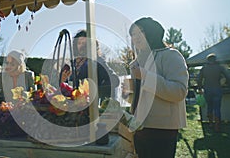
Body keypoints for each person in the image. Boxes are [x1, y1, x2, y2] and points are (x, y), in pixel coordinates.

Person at [126, 17, 189, 158]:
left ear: (153, 32)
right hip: (138, 126)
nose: (136, 37)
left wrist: (145, 76)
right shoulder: (135, 63)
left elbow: (179, 91)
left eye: (140, 32)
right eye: (133, 34)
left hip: (162, 128)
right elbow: (138, 96)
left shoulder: (170, 55)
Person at [61, 29, 120, 102]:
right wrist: (62, 81)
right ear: (75, 46)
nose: (82, 46)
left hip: (92, 107)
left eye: (85, 43)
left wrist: (95, 91)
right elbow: (67, 88)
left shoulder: (97, 61)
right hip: (74, 107)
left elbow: (114, 79)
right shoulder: (71, 64)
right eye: (79, 43)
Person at [197, 53, 229, 132]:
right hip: (217, 89)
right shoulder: (220, 67)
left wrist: (200, 88)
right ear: (215, 60)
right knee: (217, 108)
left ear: (208, 60)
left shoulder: (204, 68)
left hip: (207, 89)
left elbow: (199, 79)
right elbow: (228, 77)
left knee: (209, 107)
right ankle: (217, 126)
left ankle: (211, 123)